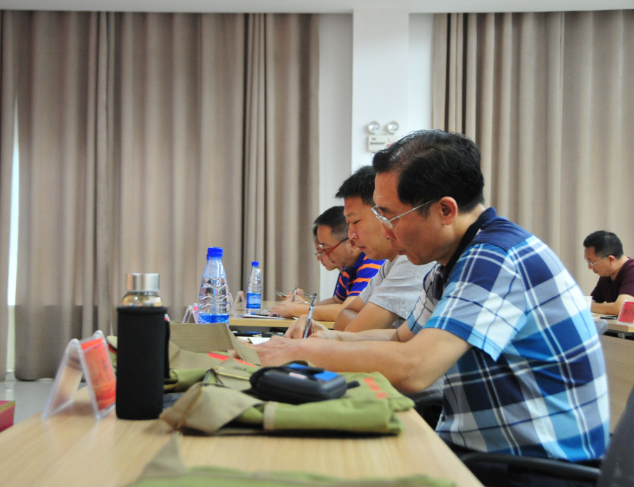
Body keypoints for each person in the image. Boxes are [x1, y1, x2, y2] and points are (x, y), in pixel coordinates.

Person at [255, 130, 608, 487]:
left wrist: (303, 351)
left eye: (390, 216)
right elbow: (400, 339)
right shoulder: (452, 262)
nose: (386, 231)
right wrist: (329, 338)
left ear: (445, 210)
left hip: (536, 470)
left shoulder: (495, 257)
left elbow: (414, 367)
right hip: (493, 455)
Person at [286, 166, 433, 337]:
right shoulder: (389, 264)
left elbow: (352, 332)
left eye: (355, 222)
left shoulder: (411, 261)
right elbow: (344, 319)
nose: (351, 235)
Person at [270, 206, 383, 322]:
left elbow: (346, 310)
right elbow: (337, 301)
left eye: (327, 249)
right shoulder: (349, 266)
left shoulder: (373, 263)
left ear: (352, 244)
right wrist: (304, 304)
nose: (323, 255)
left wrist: (295, 309)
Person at [583, 230, 634, 316]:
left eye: (592, 263)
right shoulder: (606, 275)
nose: (590, 267)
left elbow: (622, 308)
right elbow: (593, 301)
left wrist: (586, 305)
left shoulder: (632, 271)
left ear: (610, 259)